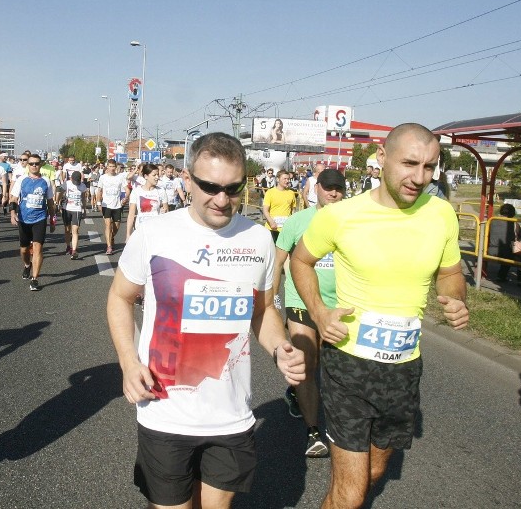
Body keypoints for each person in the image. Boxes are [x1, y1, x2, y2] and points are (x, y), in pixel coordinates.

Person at [107, 132, 305, 509]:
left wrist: (280, 349)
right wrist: (129, 363)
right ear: (186, 180)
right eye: (210, 186)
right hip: (165, 411)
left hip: (231, 415)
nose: (221, 199)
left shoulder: (259, 239)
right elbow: (119, 297)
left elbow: (261, 311)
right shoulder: (154, 235)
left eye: (232, 189)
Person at [290, 123, 469, 509]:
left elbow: (451, 273)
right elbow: (300, 259)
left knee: (369, 475)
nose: (419, 177)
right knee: (352, 494)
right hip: (349, 365)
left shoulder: (441, 215)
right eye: (409, 164)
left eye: (429, 167)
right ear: (382, 158)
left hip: (404, 368)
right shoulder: (341, 216)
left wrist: (454, 298)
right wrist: (319, 313)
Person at [275, 168, 346, 459]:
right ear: (316, 189)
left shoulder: (352, 223)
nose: (332, 193)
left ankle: (298, 394)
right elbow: (278, 261)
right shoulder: (298, 221)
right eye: (327, 188)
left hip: (337, 306)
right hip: (300, 301)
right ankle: (314, 432)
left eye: (338, 189)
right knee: (305, 363)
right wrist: (270, 302)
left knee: (322, 365)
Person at [10, 153, 55, 291]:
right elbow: (13, 199)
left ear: (41, 164)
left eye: (37, 163)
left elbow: (50, 202)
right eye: (31, 164)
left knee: (37, 248)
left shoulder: (46, 181)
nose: (34, 166)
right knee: (24, 249)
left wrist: (52, 219)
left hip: (40, 218)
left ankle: (35, 278)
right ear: (27, 165)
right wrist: (12, 213)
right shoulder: (22, 180)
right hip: (24, 218)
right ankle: (27, 265)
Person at [489, 203, 521, 286]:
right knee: (520, 257)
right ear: (512, 213)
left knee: (508, 253)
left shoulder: (492, 221)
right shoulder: (514, 223)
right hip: (505, 251)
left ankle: (501, 276)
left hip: (490, 250)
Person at [126, 163, 168, 240]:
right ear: (146, 176)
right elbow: (131, 215)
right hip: (140, 229)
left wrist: (164, 212)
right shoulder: (136, 191)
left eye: (158, 175)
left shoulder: (161, 191)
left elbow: (166, 213)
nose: (157, 177)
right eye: (154, 175)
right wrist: (128, 234)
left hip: (156, 230)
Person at [97, 159, 127, 255]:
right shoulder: (103, 177)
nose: (111, 168)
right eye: (110, 166)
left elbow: (127, 190)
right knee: (108, 224)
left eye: (113, 166)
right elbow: (99, 191)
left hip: (117, 205)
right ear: (107, 167)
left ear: (116, 167)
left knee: (116, 226)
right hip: (106, 204)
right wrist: (98, 203)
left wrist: (125, 198)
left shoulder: (120, 177)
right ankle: (109, 246)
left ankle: (111, 236)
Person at [261, 169, 297, 244]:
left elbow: (293, 210)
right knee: (272, 253)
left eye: (288, 179)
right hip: (272, 228)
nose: (287, 181)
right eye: (284, 179)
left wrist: (292, 223)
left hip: (285, 229)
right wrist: (271, 222)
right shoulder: (270, 192)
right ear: (277, 179)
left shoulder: (291, 193)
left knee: (284, 253)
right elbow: (265, 210)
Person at [61, 171, 87, 259]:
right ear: (71, 178)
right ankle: (68, 246)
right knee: (67, 230)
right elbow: (59, 192)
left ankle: (74, 250)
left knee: (75, 230)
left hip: (77, 209)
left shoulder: (83, 186)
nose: (76, 184)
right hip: (66, 209)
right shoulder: (67, 184)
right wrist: (57, 202)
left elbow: (83, 197)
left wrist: (84, 209)